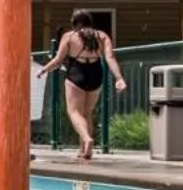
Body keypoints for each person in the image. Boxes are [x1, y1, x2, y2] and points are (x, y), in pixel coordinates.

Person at [36, 10, 125, 160]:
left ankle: (86, 139)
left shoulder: (70, 36)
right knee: (86, 113)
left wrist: (44, 69)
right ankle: (83, 150)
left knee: (74, 112)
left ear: (75, 21)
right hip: (96, 74)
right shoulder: (102, 36)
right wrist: (119, 78)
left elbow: (58, 60)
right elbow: (110, 57)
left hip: (76, 73)